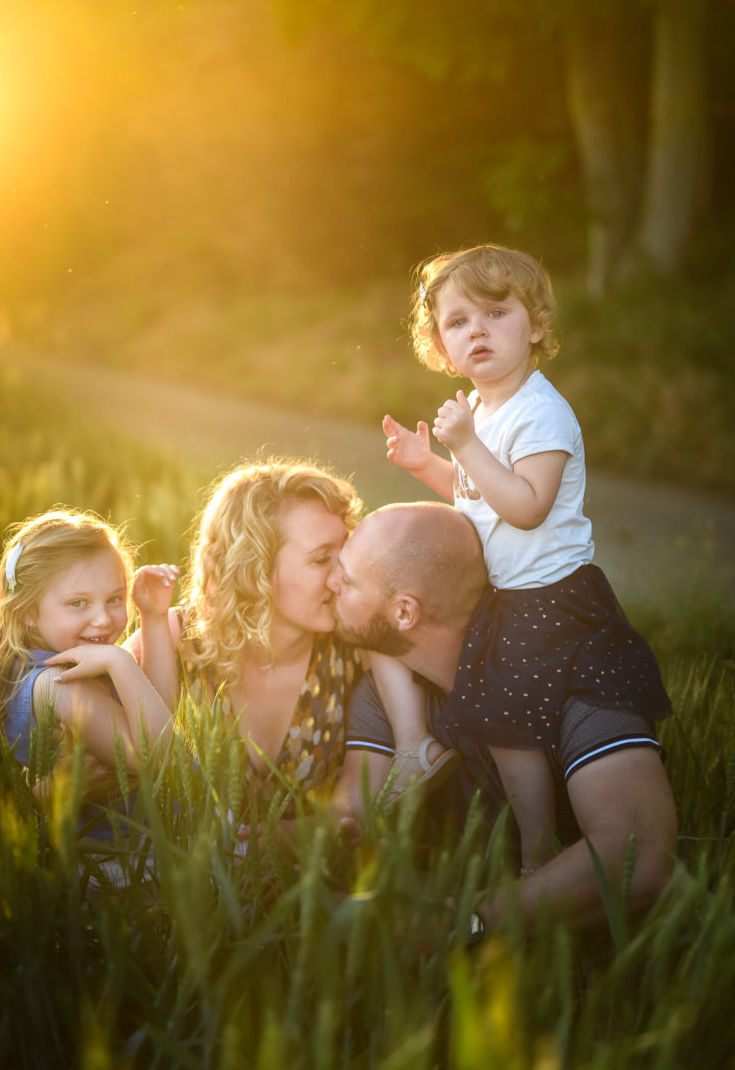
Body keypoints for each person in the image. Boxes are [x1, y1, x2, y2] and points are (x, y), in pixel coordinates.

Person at [372, 243, 671, 868]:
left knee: (528, 725)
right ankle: (534, 850)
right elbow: (478, 495)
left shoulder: (542, 411)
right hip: (508, 601)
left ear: (535, 326)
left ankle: (545, 851)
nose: (477, 330)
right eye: (458, 322)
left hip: (556, 599)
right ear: (441, 348)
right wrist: (430, 462)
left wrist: (465, 444)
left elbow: (529, 505)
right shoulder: (479, 408)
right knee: (509, 736)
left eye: (496, 312)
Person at [329, 501, 678, 939]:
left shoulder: (579, 673)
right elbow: (348, 812)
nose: (330, 582)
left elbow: (639, 857)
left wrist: (461, 922)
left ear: (404, 612)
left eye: (348, 579)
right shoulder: (393, 698)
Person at [129, 460, 369, 834]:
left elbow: (362, 805)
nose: (342, 577)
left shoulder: (358, 649)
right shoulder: (171, 637)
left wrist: (275, 844)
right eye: (322, 559)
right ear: (253, 566)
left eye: (345, 553)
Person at [0, 509, 177, 841]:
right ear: (28, 612)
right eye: (78, 603)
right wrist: (120, 661)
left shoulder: (55, 664)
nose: (103, 619)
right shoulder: (57, 684)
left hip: (154, 841)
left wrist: (153, 616)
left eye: (114, 599)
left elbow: (158, 712)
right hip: (124, 864)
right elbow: (159, 757)